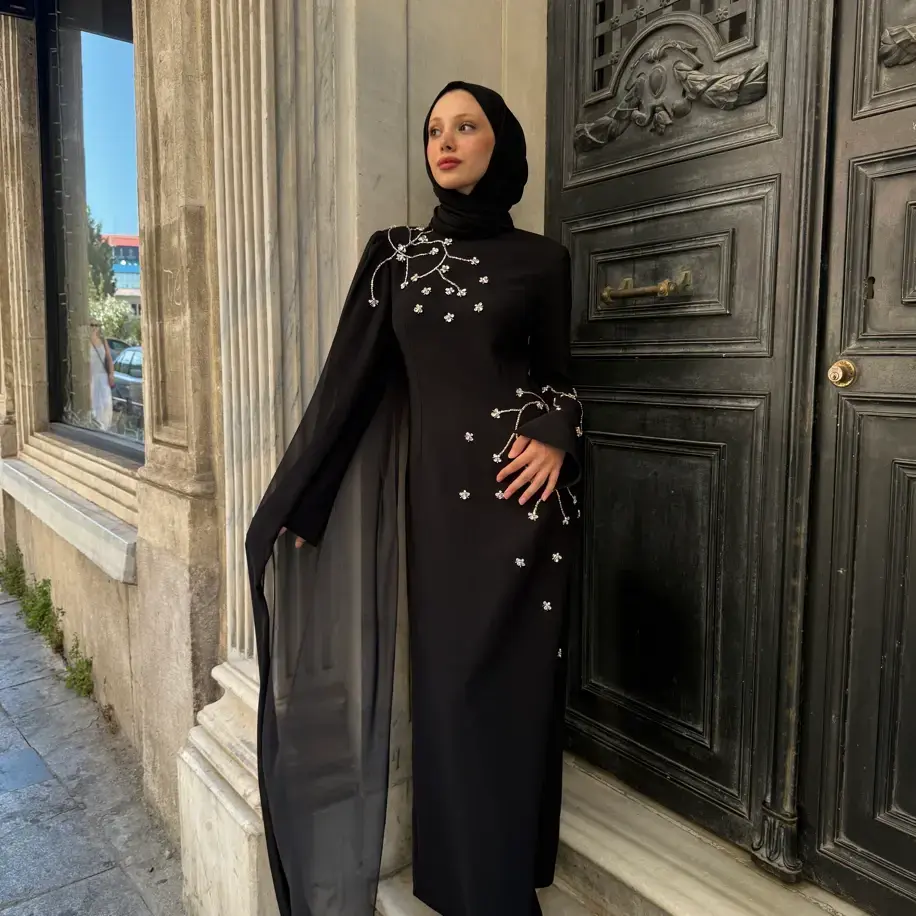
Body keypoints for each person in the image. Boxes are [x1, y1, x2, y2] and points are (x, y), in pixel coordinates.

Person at [246, 81, 582, 916]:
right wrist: (305, 499)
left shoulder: (544, 260)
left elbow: (561, 377)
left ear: (501, 144)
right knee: (452, 694)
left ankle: (504, 887)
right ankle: (464, 887)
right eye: (435, 129)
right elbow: (349, 388)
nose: (446, 141)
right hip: (444, 515)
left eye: (466, 126)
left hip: (526, 510)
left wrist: (555, 430)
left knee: (513, 702)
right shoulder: (395, 257)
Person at [88, 322, 114, 430]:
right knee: (95, 403)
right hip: (92, 377)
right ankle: (97, 427)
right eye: (92, 325)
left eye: (96, 325)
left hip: (103, 376)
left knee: (106, 402)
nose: (94, 327)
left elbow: (109, 358)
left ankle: (105, 427)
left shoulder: (103, 340)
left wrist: (111, 374)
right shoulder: (86, 342)